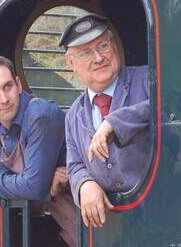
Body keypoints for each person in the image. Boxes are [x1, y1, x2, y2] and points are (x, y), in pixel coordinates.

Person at [0, 55, 78, 247]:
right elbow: (6, 188)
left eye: (7, 87)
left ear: (18, 85)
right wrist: (46, 188)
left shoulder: (40, 116)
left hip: (99, 221)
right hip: (68, 223)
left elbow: (32, 186)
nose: (4, 99)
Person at [61, 13, 150, 228]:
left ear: (115, 47)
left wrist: (115, 122)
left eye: (103, 46)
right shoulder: (73, 115)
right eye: (85, 53)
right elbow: (74, 166)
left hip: (160, 214)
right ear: (70, 63)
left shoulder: (148, 79)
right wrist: (85, 184)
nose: (98, 58)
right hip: (111, 230)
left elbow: (170, 106)